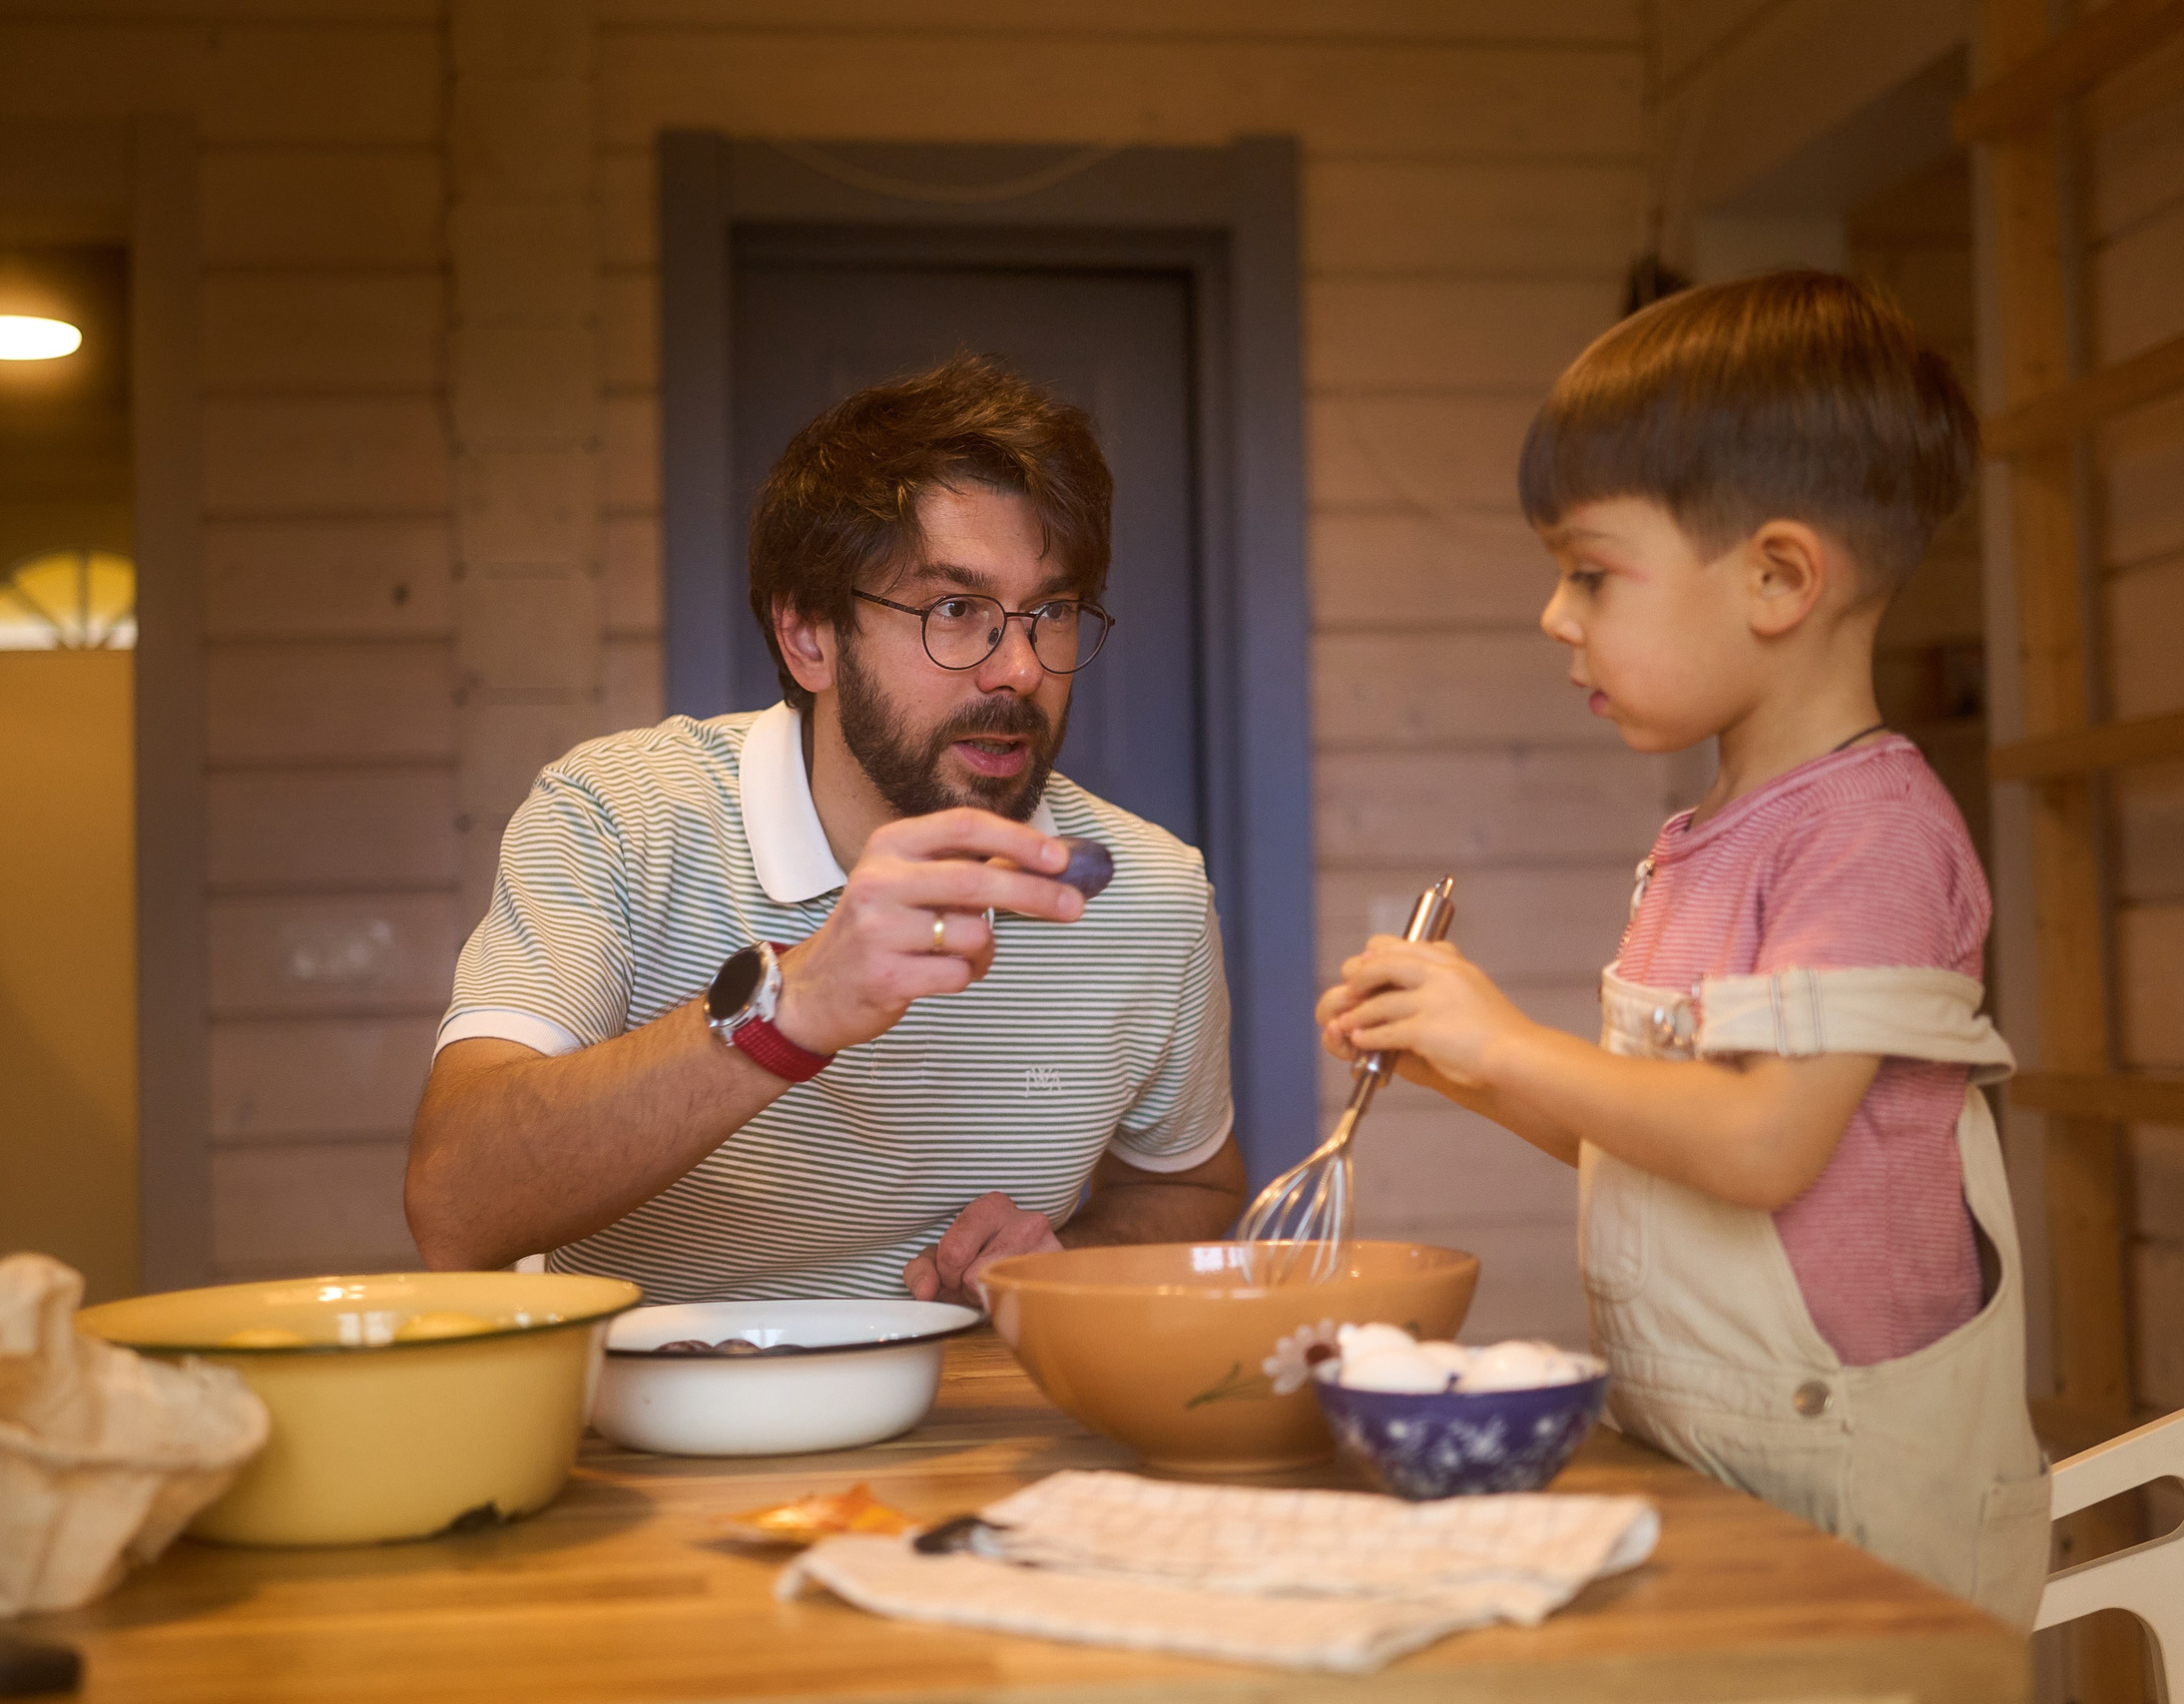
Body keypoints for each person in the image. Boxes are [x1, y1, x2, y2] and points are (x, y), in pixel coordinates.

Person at [1315, 272, 2048, 1625]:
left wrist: (1509, 1040)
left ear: (1777, 576)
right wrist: (1459, 1064)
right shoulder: (1708, 837)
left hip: (1858, 1490)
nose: (1555, 614)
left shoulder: (1872, 833)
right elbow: (1665, 1141)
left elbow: (1764, 1142)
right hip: (1714, 1447)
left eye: (1590, 571)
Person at [406, 353, 1244, 1306]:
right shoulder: (623, 816)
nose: (1018, 667)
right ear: (809, 637)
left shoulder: (1149, 891)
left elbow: (1191, 1183)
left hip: (983, 1444)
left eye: (1048, 611)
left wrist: (1061, 1271)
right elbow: (453, 1203)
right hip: (657, 1435)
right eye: (956, 610)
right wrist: (787, 1009)